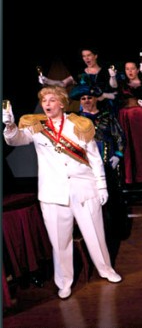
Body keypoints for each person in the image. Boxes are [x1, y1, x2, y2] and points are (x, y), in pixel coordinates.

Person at [2, 86, 122, 299]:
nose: (47, 104)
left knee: (95, 234)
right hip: (53, 193)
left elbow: (94, 157)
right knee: (60, 242)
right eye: (44, 100)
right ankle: (64, 282)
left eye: (51, 100)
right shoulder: (37, 127)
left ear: (62, 103)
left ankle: (106, 269)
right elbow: (15, 140)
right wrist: (10, 125)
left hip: (84, 189)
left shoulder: (80, 124)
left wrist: (101, 185)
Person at [69, 77, 129, 266]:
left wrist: (118, 155)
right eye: (83, 98)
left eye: (89, 97)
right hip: (85, 168)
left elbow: (119, 136)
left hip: (107, 164)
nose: (86, 100)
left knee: (111, 198)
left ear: (95, 99)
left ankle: (115, 232)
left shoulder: (107, 116)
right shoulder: (76, 120)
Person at [39, 47, 118, 114]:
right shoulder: (80, 73)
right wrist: (47, 81)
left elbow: (114, 87)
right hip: (86, 108)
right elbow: (63, 83)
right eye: (84, 56)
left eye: (89, 55)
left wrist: (113, 76)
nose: (86, 58)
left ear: (95, 56)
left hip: (104, 107)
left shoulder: (105, 72)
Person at [117, 60, 142, 185]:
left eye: (132, 68)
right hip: (127, 118)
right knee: (130, 146)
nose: (130, 71)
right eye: (127, 69)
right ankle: (132, 178)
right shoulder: (122, 84)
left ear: (137, 70)